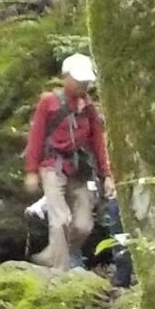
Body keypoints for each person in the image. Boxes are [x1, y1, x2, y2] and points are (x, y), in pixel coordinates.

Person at [26, 53, 112, 269]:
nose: (83, 85)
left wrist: (107, 175)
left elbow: (97, 143)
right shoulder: (49, 102)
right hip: (52, 167)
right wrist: (31, 171)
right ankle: (61, 271)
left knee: (84, 225)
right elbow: (36, 137)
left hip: (79, 169)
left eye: (85, 81)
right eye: (78, 80)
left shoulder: (88, 108)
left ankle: (51, 256)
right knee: (61, 220)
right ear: (66, 77)